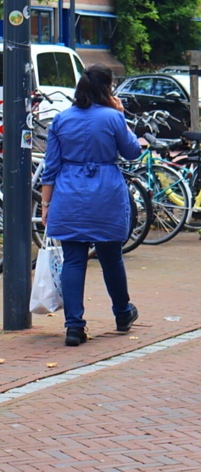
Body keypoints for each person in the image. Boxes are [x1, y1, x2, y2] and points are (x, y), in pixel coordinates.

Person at [40, 65, 142, 346]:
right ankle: (122, 314)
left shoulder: (61, 119)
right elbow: (132, 152)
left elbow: (51, 167)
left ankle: (74, 327)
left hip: (69, 193)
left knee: (73, 260)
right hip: (105, 193)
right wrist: (122, 116)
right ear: (107, 89)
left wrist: (46, 205)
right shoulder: (112, 118)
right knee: (111, 257)